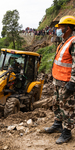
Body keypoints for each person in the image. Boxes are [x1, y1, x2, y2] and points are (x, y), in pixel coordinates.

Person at [44, 15, 75, 144]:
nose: (58, 29)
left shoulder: (73, 42)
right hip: (58, 81)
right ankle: (57, 124)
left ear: (67, 28)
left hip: (67, 82)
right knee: (57, 104)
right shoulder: (63, 41)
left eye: (61, 27)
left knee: (68, 108)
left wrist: (73, 81)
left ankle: (67, 132)